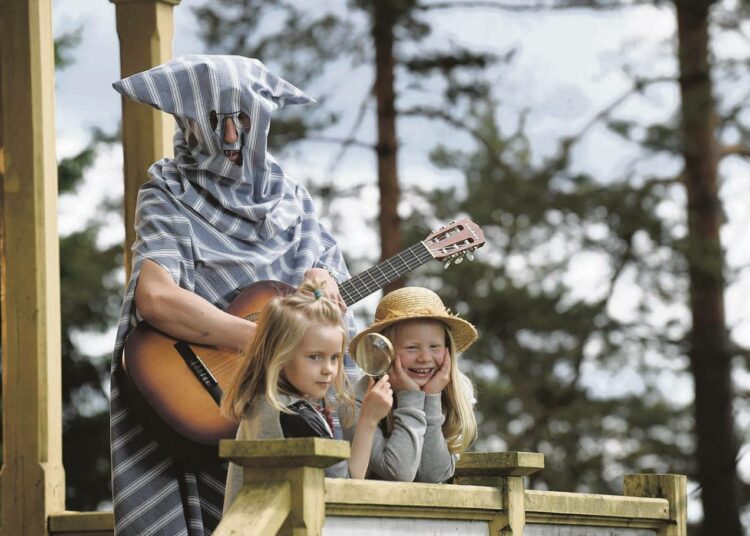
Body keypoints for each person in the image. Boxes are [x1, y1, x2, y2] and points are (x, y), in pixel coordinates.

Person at [110, 56, 356, 535]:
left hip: (292, 401)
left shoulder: (293, 198)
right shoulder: (169, 190)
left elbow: (321, 283)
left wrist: (322, 280)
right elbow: (156, 298)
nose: (229, 137)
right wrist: (259, 341)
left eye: (241, 119)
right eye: (213, 120)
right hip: (204, 399)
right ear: (188, 119)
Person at [221, 280, 393, 512]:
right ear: (280, 355)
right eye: (315, 357)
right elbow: (345, 490)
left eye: (334, 357)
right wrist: (369, 419)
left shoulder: (263, 404)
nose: (328, 369)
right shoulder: (295, 416)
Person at [347, 287, 478, 483]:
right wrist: (410, 398)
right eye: (412, 348)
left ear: (447, 349)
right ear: (384, 350)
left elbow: (434, 475)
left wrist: (432, 397)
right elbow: (399, 473)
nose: (424, 358)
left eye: (434, 347)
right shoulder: (358, 399)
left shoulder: (459, 391)